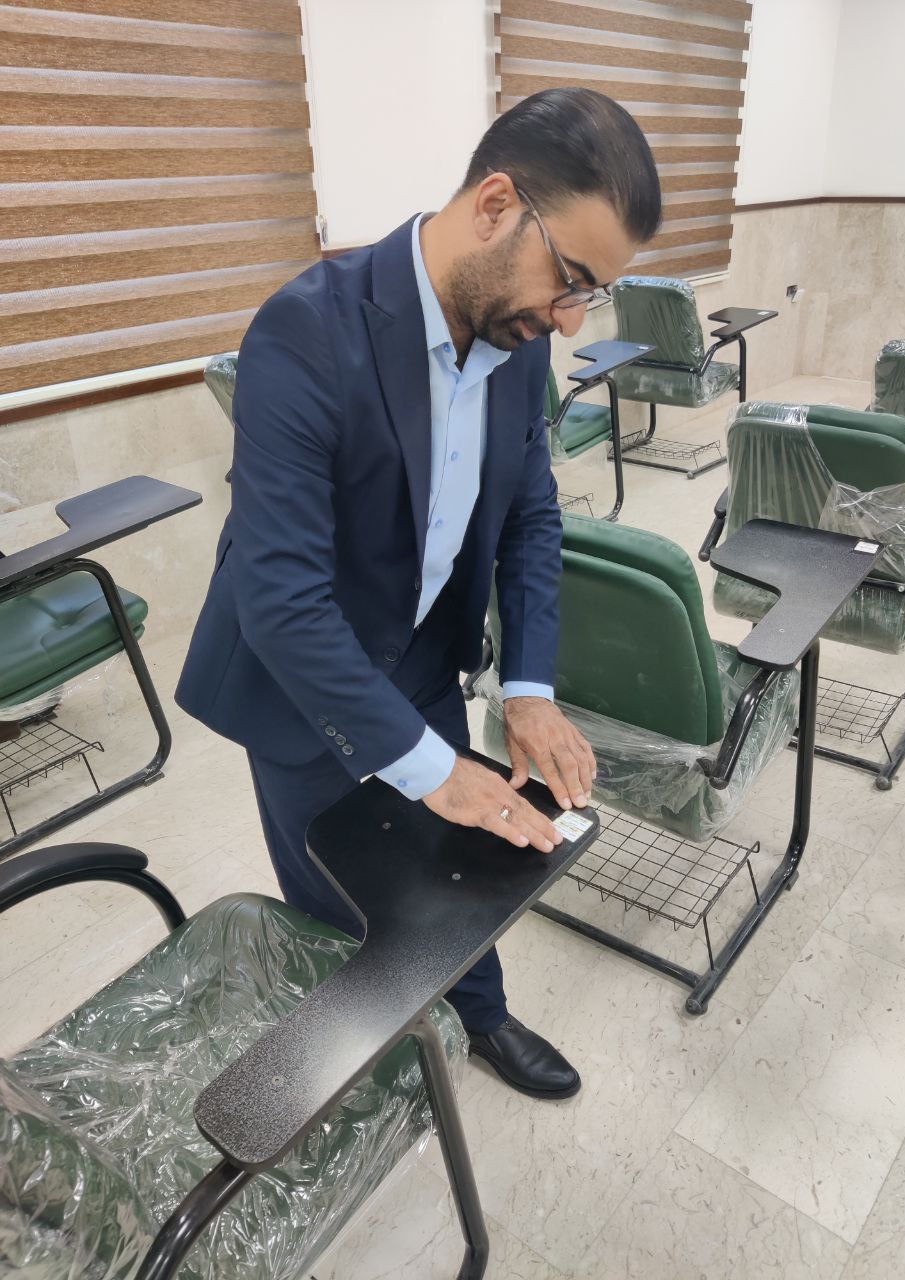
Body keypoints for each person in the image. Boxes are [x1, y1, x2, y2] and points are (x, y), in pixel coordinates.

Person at [176, 87, 661, 1099]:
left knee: (456, 865)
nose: (571, 319)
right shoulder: (307, 331)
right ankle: (373, 1061)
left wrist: (528, 687)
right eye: (570, 279)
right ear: (496, 204)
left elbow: (530, 516)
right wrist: (434, 768)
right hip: (301, 683)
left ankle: (479, 1018)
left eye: (593, 295)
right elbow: (281, 600)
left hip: (426, 655)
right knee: (343, 900)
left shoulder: (518, 343)